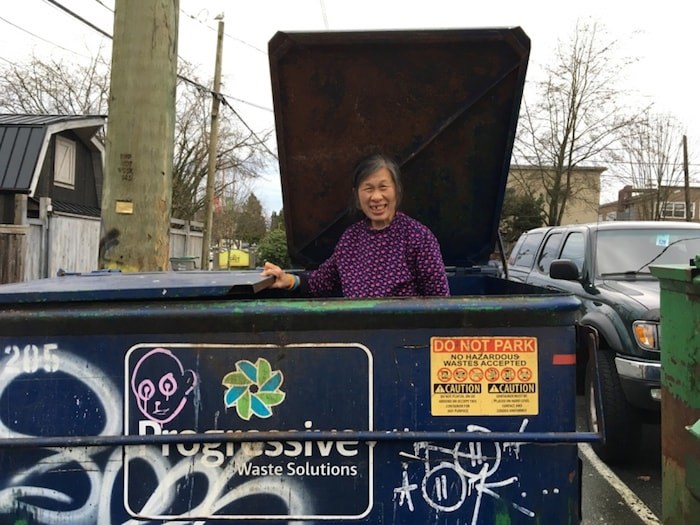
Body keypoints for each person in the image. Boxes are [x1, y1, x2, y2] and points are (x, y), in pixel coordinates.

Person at [261, 153, 450, 298]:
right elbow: (322, 282)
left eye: (383, 187)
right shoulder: (351, 239)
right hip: (358, 342)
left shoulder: (418, 237)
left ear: (397, 190)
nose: (376, 197)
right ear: (357, 195)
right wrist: (288, 280)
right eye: (368, 188)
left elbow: (440, 301)